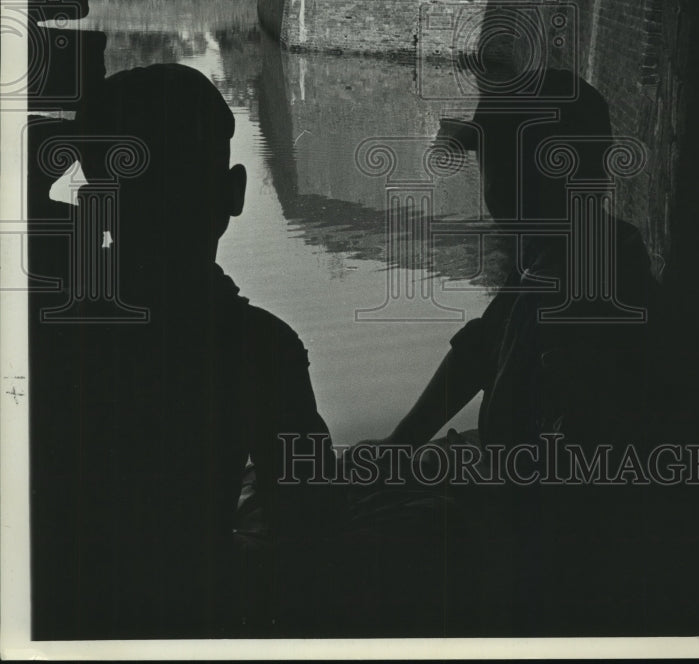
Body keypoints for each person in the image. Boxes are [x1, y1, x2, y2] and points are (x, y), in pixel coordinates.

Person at [30, 64, 336, 639]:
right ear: (234, 194)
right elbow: (312, 522)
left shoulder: (48, 326)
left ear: (97, 204)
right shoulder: (259, 348)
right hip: (191, 601)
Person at [354, 68, 660, 635]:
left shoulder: (591, 280)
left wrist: (442, 480)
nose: (488, 187)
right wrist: (401, 446)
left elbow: (572, 476)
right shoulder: (574, 246)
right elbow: (480, 349)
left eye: (495, 167)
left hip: (532, 538)